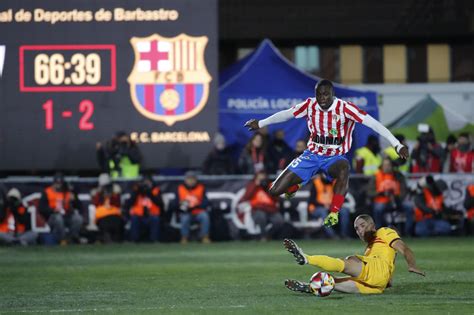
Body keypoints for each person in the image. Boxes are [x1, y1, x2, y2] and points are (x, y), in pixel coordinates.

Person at [244, 79, 408, 227]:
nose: (322, 98)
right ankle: (295, 186)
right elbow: (286, 114)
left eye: (325, 94)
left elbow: (374, 124)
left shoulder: (345, 109)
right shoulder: (309, 105)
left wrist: (397, 144)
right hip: (311, 156)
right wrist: (261, 123)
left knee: (344, 168)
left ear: (333, 94)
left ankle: (334, 212)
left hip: (334, 158)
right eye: (319, 94)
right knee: (274, 191)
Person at [283, 214, 425, 295]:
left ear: (372, 225)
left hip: (375, 270)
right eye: (357, 229)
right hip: (375, 287)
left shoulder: (384, 232)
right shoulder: (370, 249)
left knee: (349, 261)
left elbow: (404, 248)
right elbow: (389, 280)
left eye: (363, 225)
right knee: (331, 282)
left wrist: (412, 265)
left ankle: (306, 258)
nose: (360, 231)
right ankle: (310, 286)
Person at [368, 157, 414, 236]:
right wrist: (381, 193)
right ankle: (379, 232)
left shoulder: (398, 175)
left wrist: (397, 198)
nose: (387, 167)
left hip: (397, 200)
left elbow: (404, 190)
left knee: (409, 207)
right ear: (381, 166)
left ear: (392, 166)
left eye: (389, 165)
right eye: (385, 165)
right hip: (381, 200)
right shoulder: (375, 176)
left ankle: (407, 232)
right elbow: (370, 192)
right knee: (378, 209)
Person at [38, 173, 83, 245]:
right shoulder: (47, 192)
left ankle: (71, 238)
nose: (58, 185)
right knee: (58, 218)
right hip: (52, 216)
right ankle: (62, 239)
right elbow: (41, 208)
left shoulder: (67, 192)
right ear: (53, 183)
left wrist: (75, 199)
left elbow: (80, 207)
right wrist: (52, 210)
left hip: (66, 215)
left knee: (78, 218)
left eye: (60, 183)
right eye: (57, 183)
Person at [239, 171, 284, 241]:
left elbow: (277, 198)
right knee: (261, 217)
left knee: (279, 220)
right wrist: (256, 184)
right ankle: (263, 236)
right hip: (257, 209)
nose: (262, 178)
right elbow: (246, 197)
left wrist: (267, 188)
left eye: (264, 176)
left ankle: (269, 235)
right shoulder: (252, 185)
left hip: (270, 209)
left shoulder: (270, 185)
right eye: (260, 176)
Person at [307, 173, 351, 238]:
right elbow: (312, 200)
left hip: (331, 206)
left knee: (344, 211)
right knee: (323, 212)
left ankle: (344, 234)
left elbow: (339, 196)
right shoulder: (316, 182)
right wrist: (323, 205)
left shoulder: (334, 182)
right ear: (321, 175)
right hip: (317, 208)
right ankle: (332, 235)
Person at [174, 171, 211, 244]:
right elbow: (174, 203)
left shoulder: (201, 187)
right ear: (185, 180)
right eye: (189, 179)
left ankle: (205, 237)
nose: (191, 181)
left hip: (198, 211)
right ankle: (184, 238)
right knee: (185, 218)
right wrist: (181, 205)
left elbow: (206, 202)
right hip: (186, 212)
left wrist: (196, 205)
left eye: (192, 179)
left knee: (205, 216)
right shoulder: (180, 188)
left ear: (196, 180)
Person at [126, 176, 164, 242]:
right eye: (144, 183)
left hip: (152, 215)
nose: (146, 185)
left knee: (155, 219)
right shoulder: (137, 191)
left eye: (148, 183)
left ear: (152, 183)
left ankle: (154, 240)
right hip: (139, 215)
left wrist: (150, 193)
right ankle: (134, 240)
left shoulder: (156, 190)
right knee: (134, 218)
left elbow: (160, 203)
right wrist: (137, 192)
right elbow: (129, 204)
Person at [91, 174, 124, 243]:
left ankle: (116, 240)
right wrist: (99, 192)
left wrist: (114, 194)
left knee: (117, 222)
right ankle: (106, 239)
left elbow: (118, 204)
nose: (105, 188)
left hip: (114, 215)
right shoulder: (97, 193)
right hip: (102, 217)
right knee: (105, 224)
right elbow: (95, 203)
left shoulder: (115, 191)